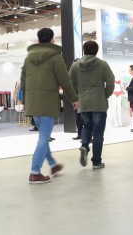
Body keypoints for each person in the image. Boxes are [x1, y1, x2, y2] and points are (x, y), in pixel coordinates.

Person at [20, 28, 78, 184]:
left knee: (43, 136)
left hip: (33, 102)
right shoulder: (55, 57)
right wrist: (74, 98)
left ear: (38, 40)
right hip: (47, 102)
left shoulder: (28, 57)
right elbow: (64, 80)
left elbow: (23, 82)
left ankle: (53, 165)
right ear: (52, 40)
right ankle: (35, 173)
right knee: (44, 137)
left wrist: (25, 101)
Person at [69, 40, 115, 170]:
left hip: (83, 102)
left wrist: (76, 97)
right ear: (97, 51)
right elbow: (110, 82)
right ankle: (96, 162)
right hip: (99, 102)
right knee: (98, 133)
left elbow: (70, 83)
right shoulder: (102, 64)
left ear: (84, 50)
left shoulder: (75, 65)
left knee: (86, 127)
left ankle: (84, 145)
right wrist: (105, 94)